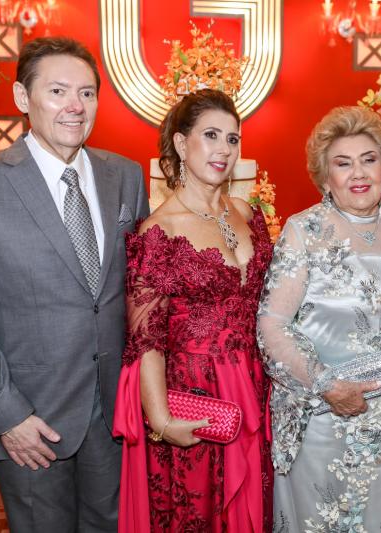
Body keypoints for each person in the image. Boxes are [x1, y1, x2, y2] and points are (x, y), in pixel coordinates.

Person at [0, 37, 149, 531]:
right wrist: (6, 414)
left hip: (114, 411)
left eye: (87, 93)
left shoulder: (126, 176)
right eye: (57, 91)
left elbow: (139, 291)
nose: (76, 106)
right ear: (21, 97)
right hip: (30, 418)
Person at [257, 105, 381, 532]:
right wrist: (326, 385)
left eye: (369, 159)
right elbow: (271, 325)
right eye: (343, 163)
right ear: (325, 176)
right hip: (325, 419)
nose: (359, 173)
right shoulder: (304, 231)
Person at [113, 89, 273, 532]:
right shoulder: (159, 230)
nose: (224, 149)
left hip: (255, 387)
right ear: (182, 144)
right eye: (211, 135)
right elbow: (146, 340)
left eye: (233, 138)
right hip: (198, 394)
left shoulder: (246, 214)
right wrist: (162, 421)